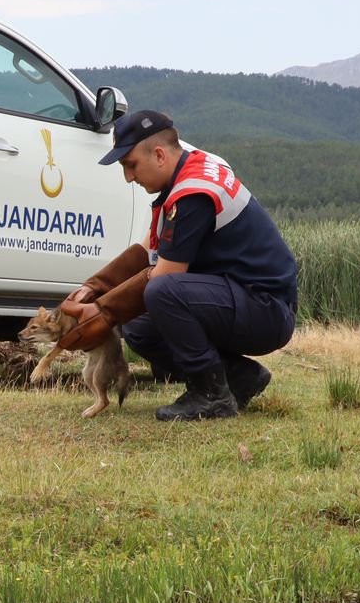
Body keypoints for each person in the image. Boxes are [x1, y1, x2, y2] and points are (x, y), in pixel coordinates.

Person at [68, 110, 298, 421]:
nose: (128, 177)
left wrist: (105, 312)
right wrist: (93, 288)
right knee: (139, 327)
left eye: (130, 165)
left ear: (159, 155)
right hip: (243, 300)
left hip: (265, 309)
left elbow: (163, 276)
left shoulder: (192, 193)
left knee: (162, 292)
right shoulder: (186, 172)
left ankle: (211, 395)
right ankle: (238, 377)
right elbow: (148, 254)